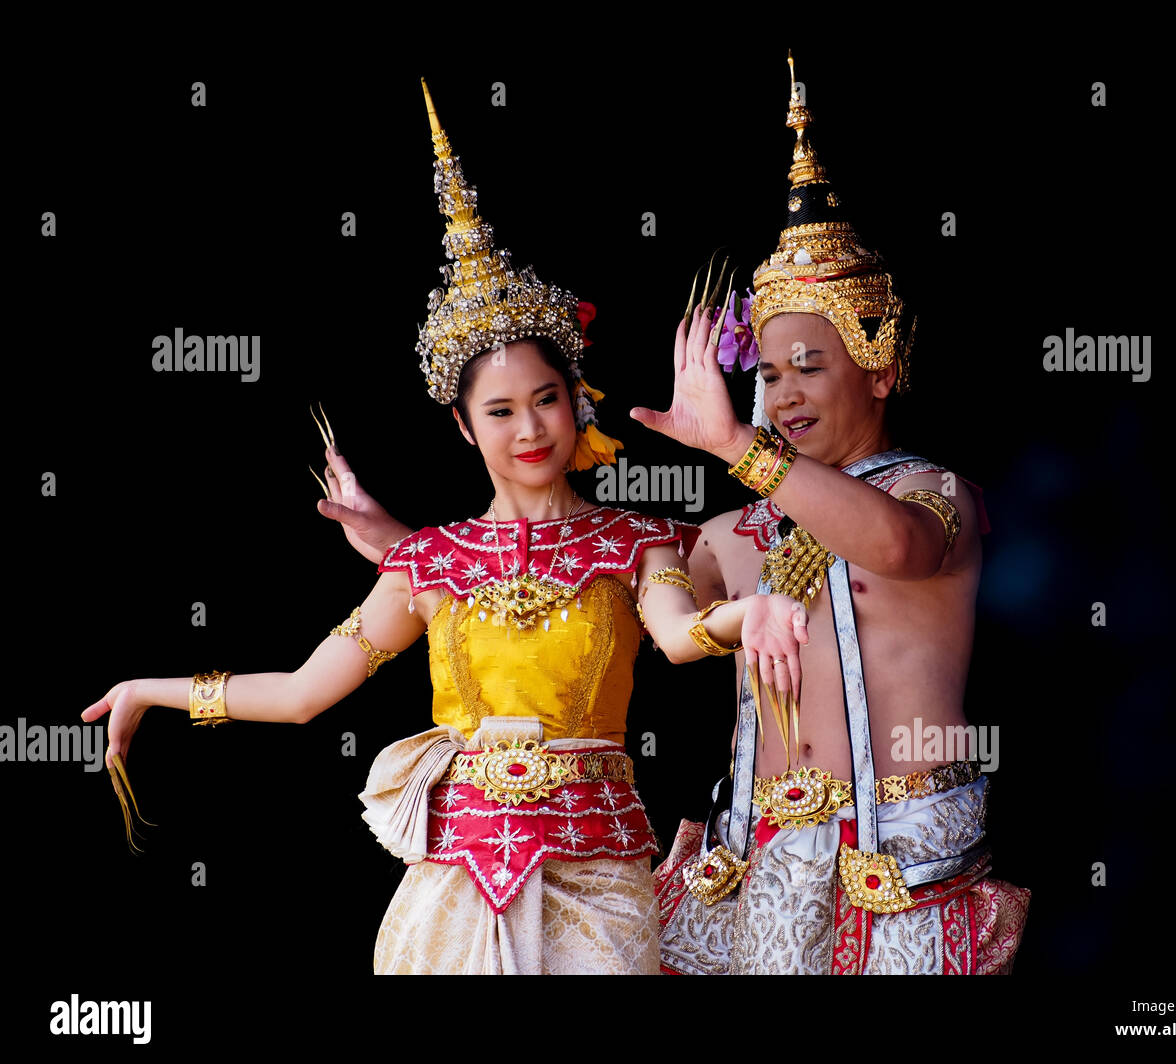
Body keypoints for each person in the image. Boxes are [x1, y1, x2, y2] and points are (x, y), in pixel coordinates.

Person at [80, 82, 810, 975]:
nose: (532, 428)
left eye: (548, 400)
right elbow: (307, 693)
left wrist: (752, 615)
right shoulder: (429, 562)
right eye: (501, 411)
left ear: (578, 404)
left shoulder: (636, 540)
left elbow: (682, 635)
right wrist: (152, 689)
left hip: (601, 884)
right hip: (452, 890)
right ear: (465, 428)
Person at [630, 57, 1032, 974]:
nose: (784, 393)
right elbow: (666, 624)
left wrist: (740, 447)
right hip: (761, 859)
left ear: (881, 369)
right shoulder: (733, 533)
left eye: (810, 365)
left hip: (902, 857)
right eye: (767, 375)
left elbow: (891, 546)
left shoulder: (931, 495)